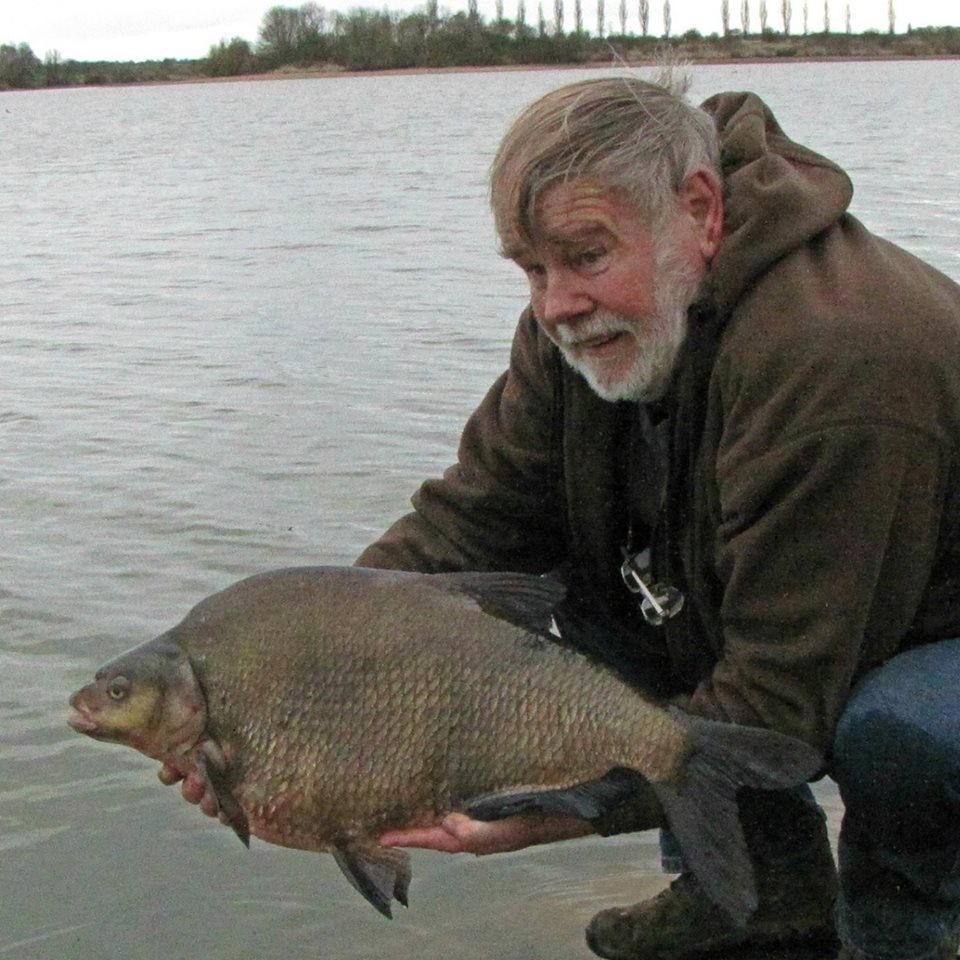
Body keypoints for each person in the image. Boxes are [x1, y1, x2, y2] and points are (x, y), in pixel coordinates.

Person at [165, 75, 960, 960]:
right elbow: (473, 522)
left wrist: (562, 807)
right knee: (581, 599)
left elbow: (778, 702)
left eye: (586, 256)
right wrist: (303, 681)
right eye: (532, 268)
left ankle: (906, 929)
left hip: (932, 647)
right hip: (800, 608)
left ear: (700, 209)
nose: (556, 305)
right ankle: (761, 896)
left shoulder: (841, 360)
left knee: (901, 732)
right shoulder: (582, 324)